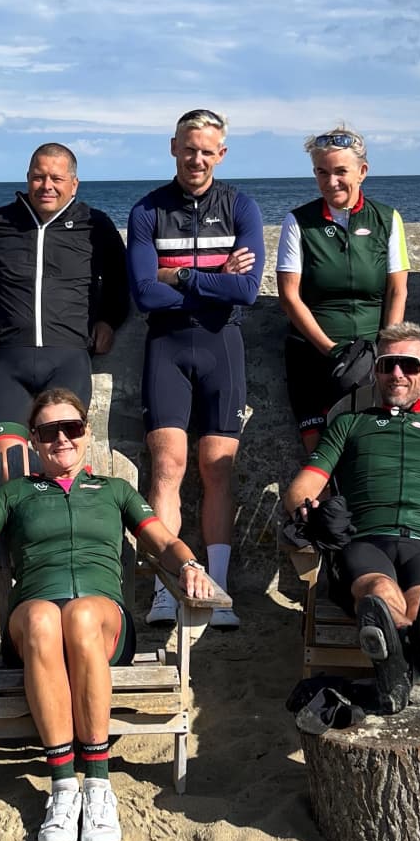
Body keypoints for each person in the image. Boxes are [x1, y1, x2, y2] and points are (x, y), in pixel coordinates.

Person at [0, 388, 218, 841]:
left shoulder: (115, 491)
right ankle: (64, 787)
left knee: (81, 614)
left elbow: (165, 544)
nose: (62, 439)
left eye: (73, 428)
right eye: (49, 432)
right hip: (33, 622)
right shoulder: (15, 492)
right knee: (46, 617)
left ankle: (98, 786)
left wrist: (189, 566)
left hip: (101, 622)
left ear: (86, 434)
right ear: (33, 442)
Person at [281, 323, 420, 712]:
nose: (398, 374)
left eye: (409, 365)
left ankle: (397, 669)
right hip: (364, 542)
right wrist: (312, 513)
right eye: (388, 365)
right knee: (379, 594)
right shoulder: (350, 423)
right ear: (377, 373)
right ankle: (417, 658)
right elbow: (302, 488)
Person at [126, 108, 264, 630]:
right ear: (173, 148)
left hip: (221, 346)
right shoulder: (147, 210)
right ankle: (167, 588)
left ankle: (218, 587)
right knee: (166, 468)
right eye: (189, 148)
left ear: (221, 154)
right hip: (165, 347)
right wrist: (213, 275)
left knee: (217, 468)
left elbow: (247, 291)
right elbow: (143, 294)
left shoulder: (241, 207)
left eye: (207, 150)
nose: (197, 158)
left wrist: (178, 276)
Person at [0, 143, 128, 480]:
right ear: (27, 178)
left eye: (56, 178)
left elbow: (120, 278)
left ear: (74, 183)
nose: (47, 186)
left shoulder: (95, 224)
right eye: (39, 177)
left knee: (63, 467)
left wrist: (109, 320)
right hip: (7, 361)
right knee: (5, 473)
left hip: (67, 359)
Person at [275, 125, 409, 452]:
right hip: (312, 355)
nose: (331, 181)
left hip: (370, 358)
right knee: (320, 458)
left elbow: (397, 290)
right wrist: (331, 350)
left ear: (362, 172)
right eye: (322, 173)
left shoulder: (388, 219)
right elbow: (290, 297)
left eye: (340, 172)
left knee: (370, 453)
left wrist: (384, 350)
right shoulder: (298, 222)